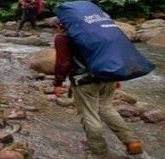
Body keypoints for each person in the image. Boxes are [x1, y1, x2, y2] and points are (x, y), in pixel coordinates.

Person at [53, 21, 144, 158]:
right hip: (108, 76)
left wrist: (58, 82)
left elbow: (63, 62)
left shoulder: (63, 38)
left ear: (60, 26)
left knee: (89, 115)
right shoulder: (97, 32)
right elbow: (111, 54)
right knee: (107, 108)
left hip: (85, 81)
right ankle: (131, 141)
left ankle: (99, 151)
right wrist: (116, 76)